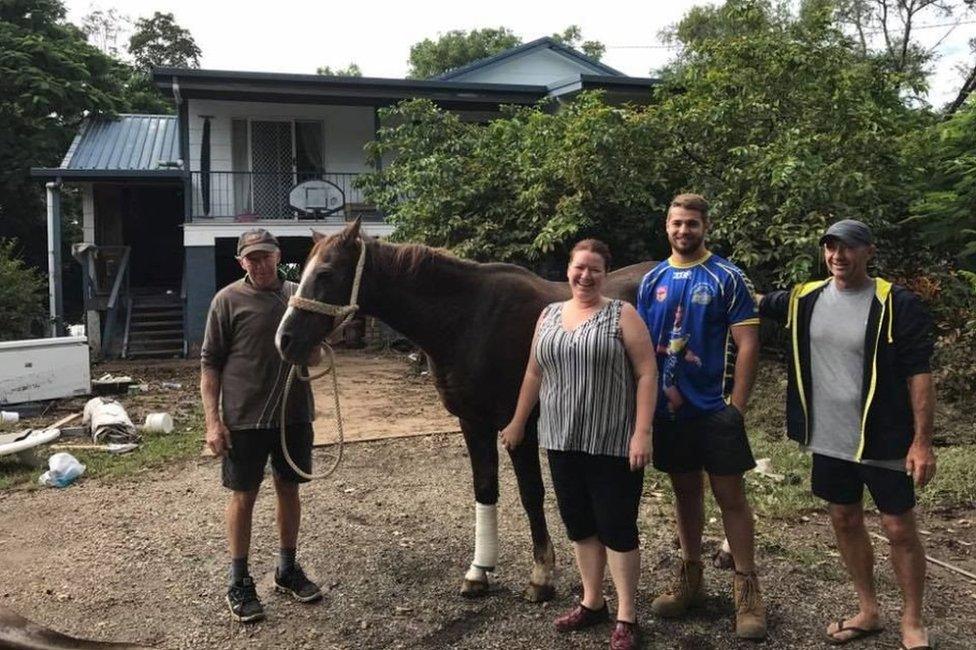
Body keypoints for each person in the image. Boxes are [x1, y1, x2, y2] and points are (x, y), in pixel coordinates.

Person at [758, 219, 936, 650]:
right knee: (844, 518)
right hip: (829, 438)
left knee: (897, 527)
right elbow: (756, 301)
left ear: (869, 251)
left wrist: (922, 442)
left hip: (884, 436)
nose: (839, 256)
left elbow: (920, 375)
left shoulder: (896, 303)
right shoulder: (806, 298)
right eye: (831, 247)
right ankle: (869, 610)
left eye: (849, 247)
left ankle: (912, 620)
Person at [500, 239, 657, 650]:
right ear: (568, 269)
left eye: (594, 270)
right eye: (579, 268)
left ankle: (627, 615)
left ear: (606, 274)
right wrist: (518, 422)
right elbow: (534, 373)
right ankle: (592, 602)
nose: (585, 276)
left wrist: (642, 432)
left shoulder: (622, 314)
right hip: (560, 438)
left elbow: (646, 374)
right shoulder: (549, 315)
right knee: (580, 525)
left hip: (612, 440)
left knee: (617, 527)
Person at [636, 193, 766, 640]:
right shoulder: (651, 278)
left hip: (715, 409)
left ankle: (747, 590)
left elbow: (748, 344)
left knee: (731, 496)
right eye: (676, 223)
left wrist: (738, 407)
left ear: (705, 225)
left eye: (692, 223)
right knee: (684, 493)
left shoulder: (728, 277)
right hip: (672, 412)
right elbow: (643, 351)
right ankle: (690, 578)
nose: (683, 231)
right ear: (666, 226)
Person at [200, 228, 323, 623]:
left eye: (266, 255)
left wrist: (316, 350)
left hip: (294, 415)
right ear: (242, 262)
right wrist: (213, 423)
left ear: (277, 255)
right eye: (252, 258)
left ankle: (287, 569)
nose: (260, 263)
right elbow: (210, 365)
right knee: (243, 496)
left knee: (290, 490)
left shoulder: (298, 297)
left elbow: (317, 354)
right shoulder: (227, 301)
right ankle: (239, 580)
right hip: (245, 419)